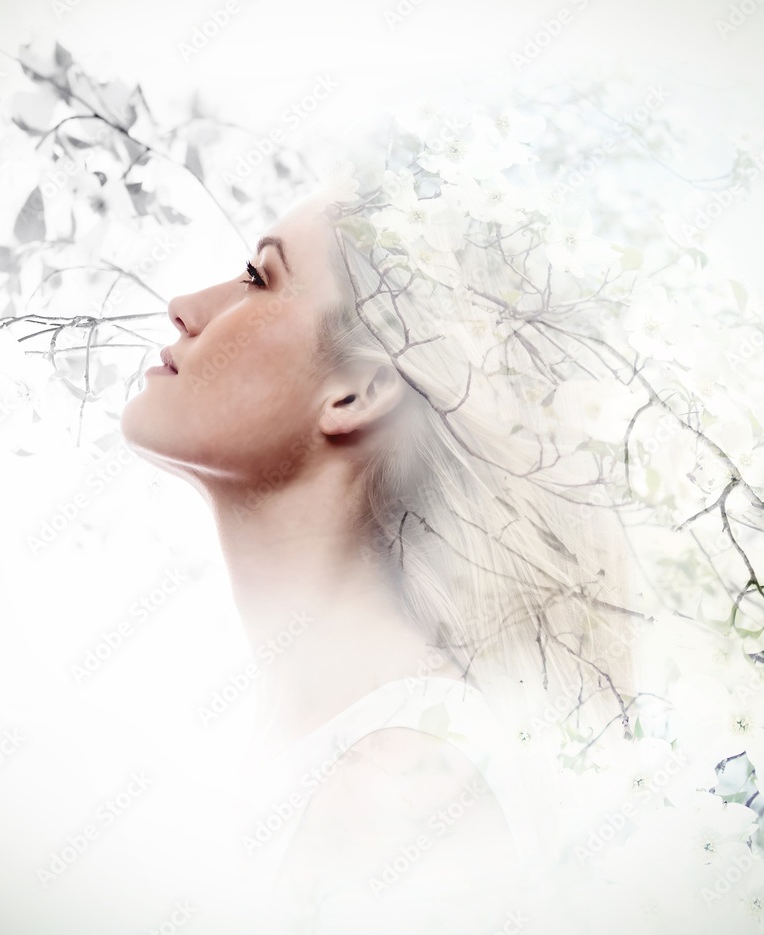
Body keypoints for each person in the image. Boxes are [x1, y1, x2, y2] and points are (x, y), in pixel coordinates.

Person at [119, 173, 638, 933]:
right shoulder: (323, 746)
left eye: (259, 278)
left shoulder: (397, 784)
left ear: (355, 393)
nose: (187, 307)